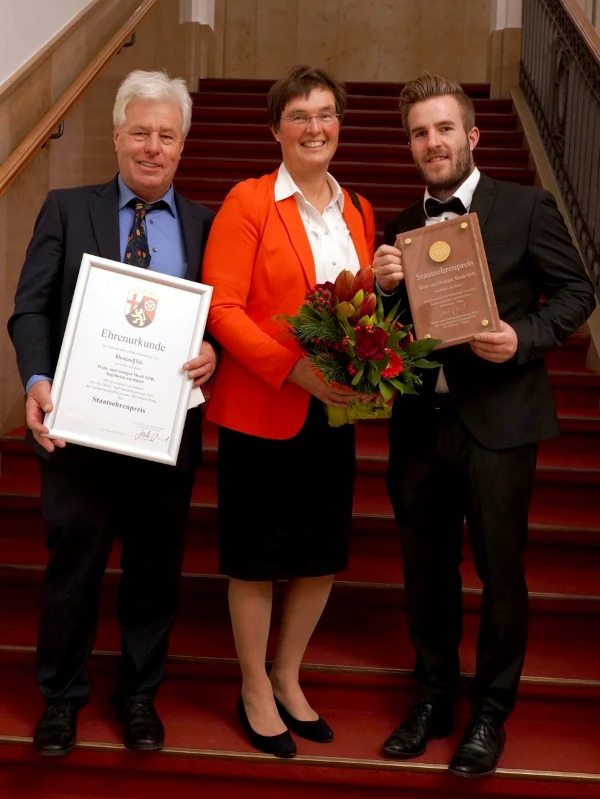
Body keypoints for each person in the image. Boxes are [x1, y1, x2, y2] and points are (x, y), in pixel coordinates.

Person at [373, 73, 595, 777]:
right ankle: (434, 697)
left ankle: (490, 712)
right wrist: (378, 292)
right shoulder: (401, 226)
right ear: (409, 145)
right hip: (419, 423)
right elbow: (389, 333)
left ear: (471, 135)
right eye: (418, 133)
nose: (431, 142)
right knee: (425, 571)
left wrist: (523, 337)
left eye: (443, 129)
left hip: (499, 421)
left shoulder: (526, 207)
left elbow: (579, 292)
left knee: (501, 575)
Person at [7, 70, 216, 756]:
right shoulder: (68, 209)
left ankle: (137, 699)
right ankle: (62, 699)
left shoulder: (206, 225)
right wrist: (37, 379)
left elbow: (224, 322)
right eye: (141, 132)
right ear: (117, 134)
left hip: (163, 436)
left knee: (155, 572)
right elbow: (30, 306)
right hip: (78, 433)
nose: (152, 147)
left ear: (182, 144)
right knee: (74, 569)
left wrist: (213, 350)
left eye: (167, 135)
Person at [201, 65, 375, 758]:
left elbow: (359, 310)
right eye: (299, 115)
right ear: (275, 129)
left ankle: (287, 674)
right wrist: (292, 366)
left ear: (340, 124)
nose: (315, 127)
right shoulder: (247, 201)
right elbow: (222, 307)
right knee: (255, 558)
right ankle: (251, 686)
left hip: (331, 415)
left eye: (326, 113)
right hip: (262, 409)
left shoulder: (356, 209)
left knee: (321, 556)